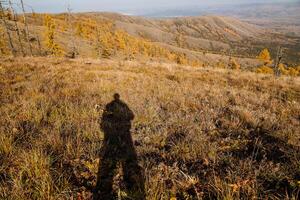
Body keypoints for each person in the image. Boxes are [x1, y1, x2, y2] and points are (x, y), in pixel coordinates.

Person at [94, 93, 145, 200]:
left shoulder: (110, 107)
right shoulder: (122, 106)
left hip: (113, 137)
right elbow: (131, 116)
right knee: (126, 160)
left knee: (110, 163)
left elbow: (103, 124)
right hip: (122, 136)